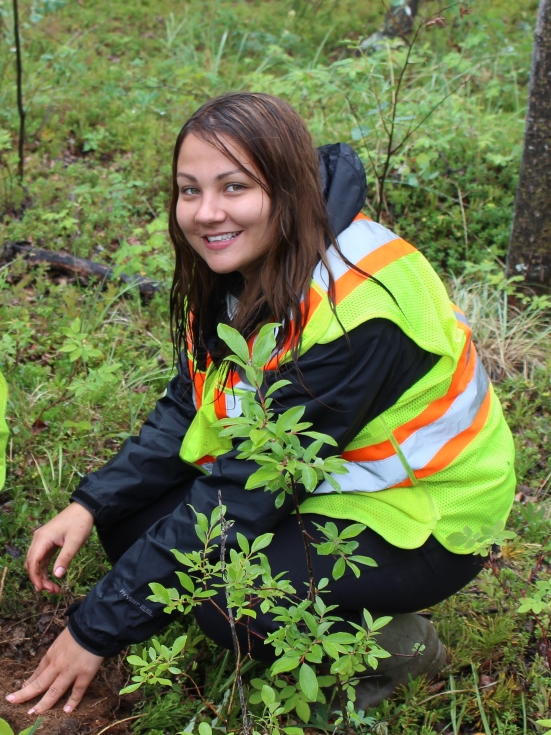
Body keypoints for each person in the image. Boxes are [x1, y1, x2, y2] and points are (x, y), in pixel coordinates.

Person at [6, 92, 515, 716]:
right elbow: (194, 398)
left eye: (234, 187)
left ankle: (399, 648)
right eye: (188, 190)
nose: (205, 212)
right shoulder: (243, 258)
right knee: (128, 519)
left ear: (289, 187)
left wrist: (93, 631)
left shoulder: (356, 307)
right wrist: (93, 499)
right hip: (321, 479)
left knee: (232, 599)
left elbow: (242, 498)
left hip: (425, 516)